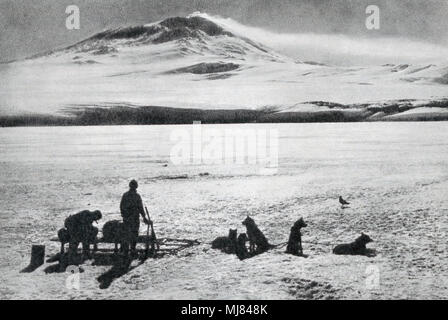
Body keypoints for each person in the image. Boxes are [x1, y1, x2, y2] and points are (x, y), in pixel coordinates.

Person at [120, 180, 149, 257]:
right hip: (134, 218)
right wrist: (144, 217)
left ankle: (126, 251)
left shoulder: (125, 195)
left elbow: (122, 207)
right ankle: (132, 249)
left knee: (127, 234)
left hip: (128, 218)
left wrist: (124, 215)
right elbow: (140, 207)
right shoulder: (136, 196)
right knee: (134, 234)